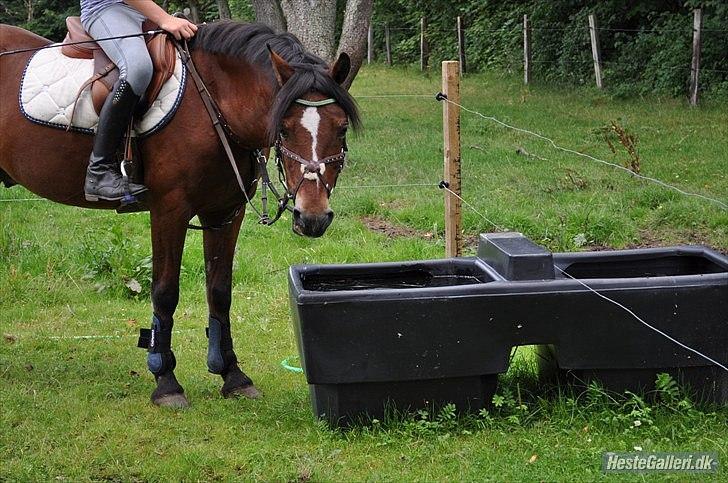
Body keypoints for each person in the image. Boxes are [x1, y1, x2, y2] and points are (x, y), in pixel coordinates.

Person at [80, 0, 197, 202]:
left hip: (143, 11)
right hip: (106, 9)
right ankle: (98, 170)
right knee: (138, 68)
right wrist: (164, 18)